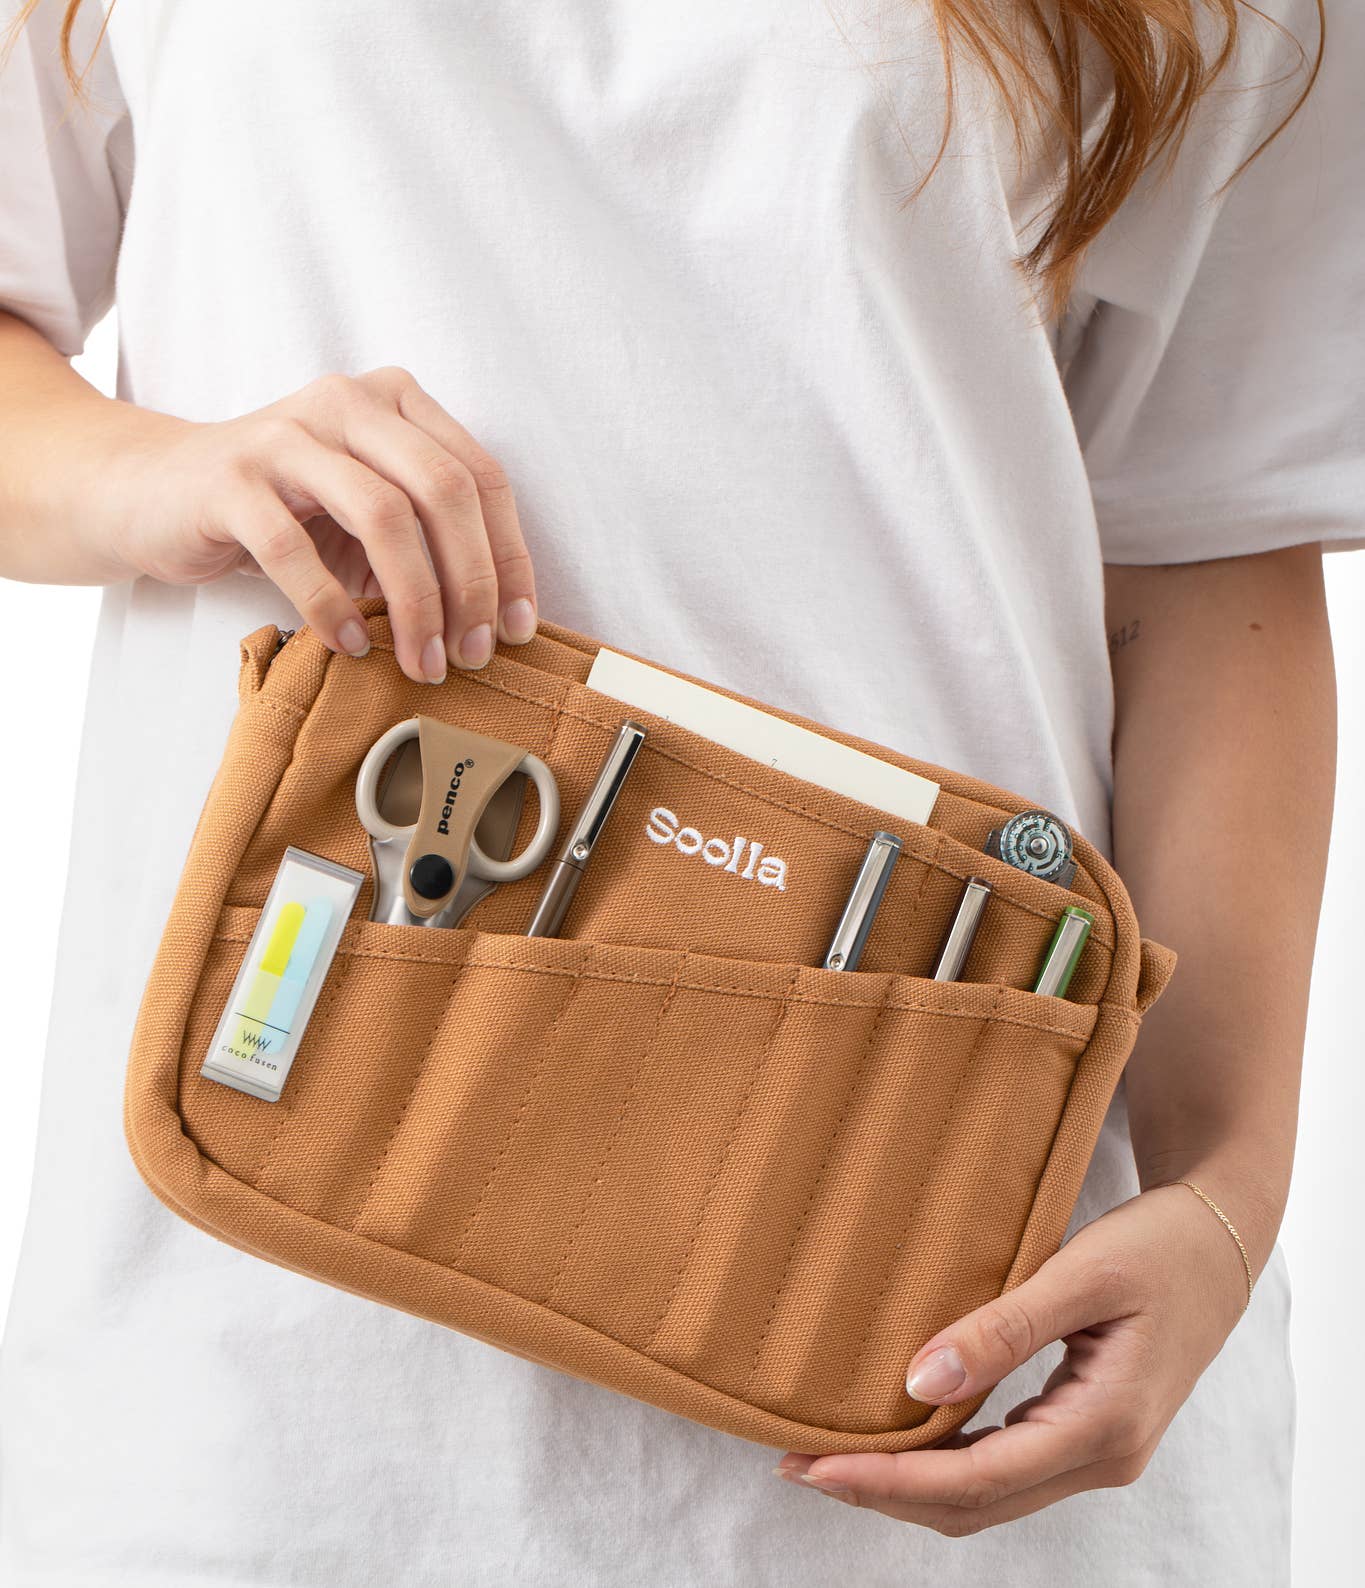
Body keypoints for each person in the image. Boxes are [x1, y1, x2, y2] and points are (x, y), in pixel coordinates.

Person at [0, 0, 1360, 1582]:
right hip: (273, 1341)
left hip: (943, 1297)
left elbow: (1206, 556)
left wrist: (1225, 1194)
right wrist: (138, 472)